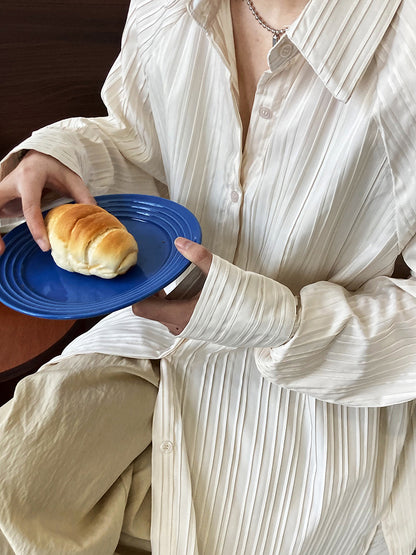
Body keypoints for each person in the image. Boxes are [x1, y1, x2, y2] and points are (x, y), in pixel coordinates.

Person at [0, 0, 415, 553]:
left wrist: (272, 320)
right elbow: (139, 145)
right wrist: (65, 163)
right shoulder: (165, 8)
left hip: (319, 390)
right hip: (151, 338)